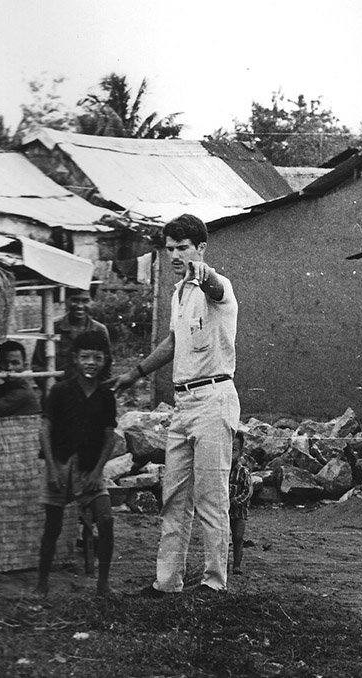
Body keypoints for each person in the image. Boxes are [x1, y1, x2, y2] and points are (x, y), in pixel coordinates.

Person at [107, 213, 240, 596]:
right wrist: (135, 373)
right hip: (182, 404)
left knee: (212, 498)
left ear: (201, 247)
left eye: (183, 247)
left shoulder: (219, 287)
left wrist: (202, 273)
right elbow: (173, 342)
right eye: (170, 249)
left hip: (214, 398)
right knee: (173, 497)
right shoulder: (178, 293)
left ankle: (214, 583)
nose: (176, 255)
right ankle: (167, 582)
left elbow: (213, 286)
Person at [35, 331, 117, 597]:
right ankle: (42, 583)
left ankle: (103, 584)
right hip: (60, 465)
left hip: (89, 469)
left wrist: (97, 472)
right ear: (75, 359)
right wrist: (51, 467)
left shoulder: (106, 396)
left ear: (105, 360)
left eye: (97, 357)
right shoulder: (60, 391)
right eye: (85, 357)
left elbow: (109, 437)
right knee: (52, 528)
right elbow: (45, 429)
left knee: (105, 520)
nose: (91, 363)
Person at [32, 286, 112, 383]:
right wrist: (53, 388)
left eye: (85, 301)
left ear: (92, 301)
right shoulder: (51, 328)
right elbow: (37, 365)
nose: (80, 306)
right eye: (75, 300)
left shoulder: (99, 330)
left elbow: (106, 368)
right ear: (66, 300)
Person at [0, 340, 42, 418]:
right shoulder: (7, 386)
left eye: (15, 363)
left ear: (25, 366)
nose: (9, 368)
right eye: (4, 363)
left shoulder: (22, 393)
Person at [229, 431, 253, 575]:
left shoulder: (243, 472)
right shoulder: (222, 471)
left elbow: (248, 491)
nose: (230, 453)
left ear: (240, 452)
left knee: (238, 537)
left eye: (234, 450)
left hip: (239, 511)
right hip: (224, 510)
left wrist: (236, 501)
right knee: (222, 538)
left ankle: (236, 565)